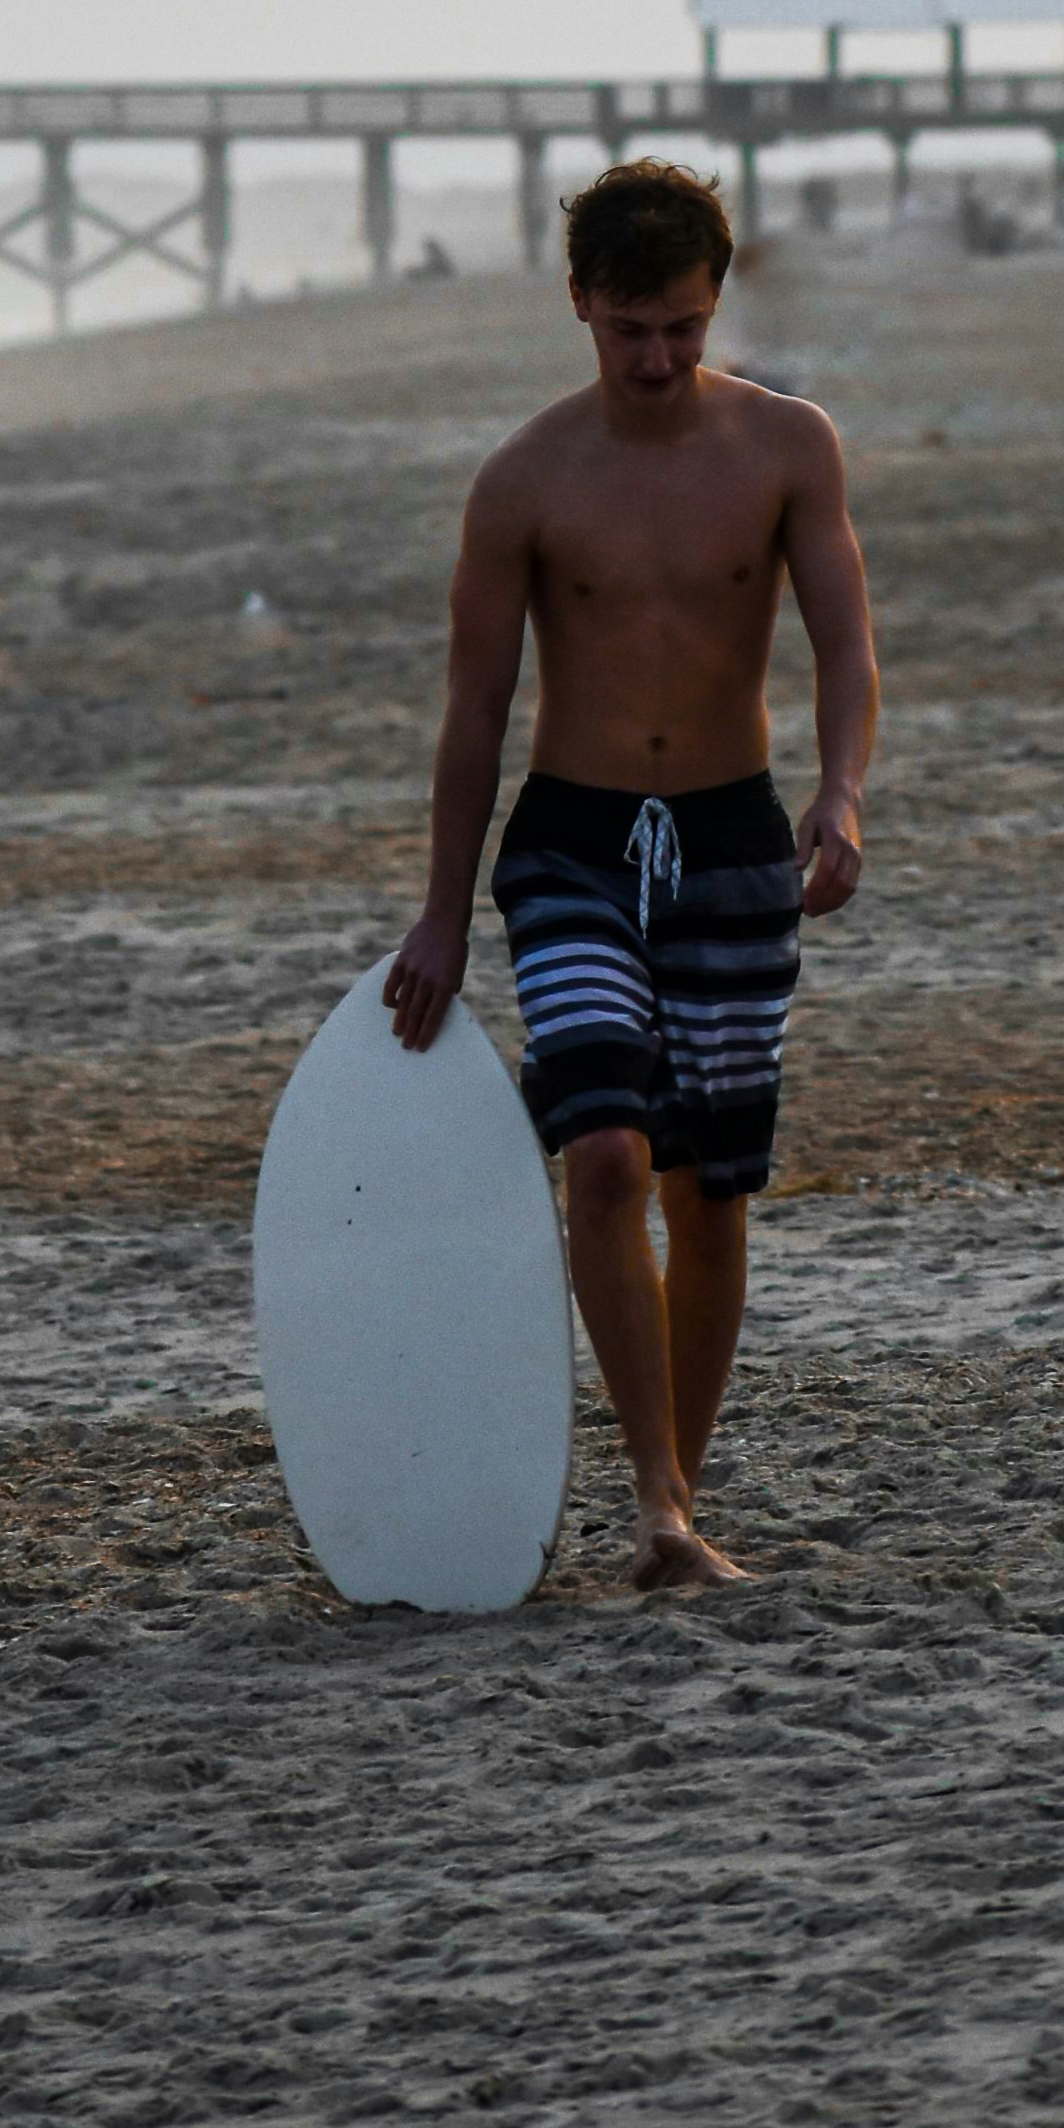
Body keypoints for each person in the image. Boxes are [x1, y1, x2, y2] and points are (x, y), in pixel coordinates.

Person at [385, 157, 875, 1591]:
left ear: (714, 303)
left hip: (731, 841)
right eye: (629, 331)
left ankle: (679, 1492)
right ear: (580, 308)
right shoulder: (524, 482)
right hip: (576, 847)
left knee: (708, 1186)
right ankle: (658, 1503)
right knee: (603, 1149)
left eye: (683, 326)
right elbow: (474, 711)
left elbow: (846, 643)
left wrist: (840, 796)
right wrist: (437, 912)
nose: (659, 360)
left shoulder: (789, 448)